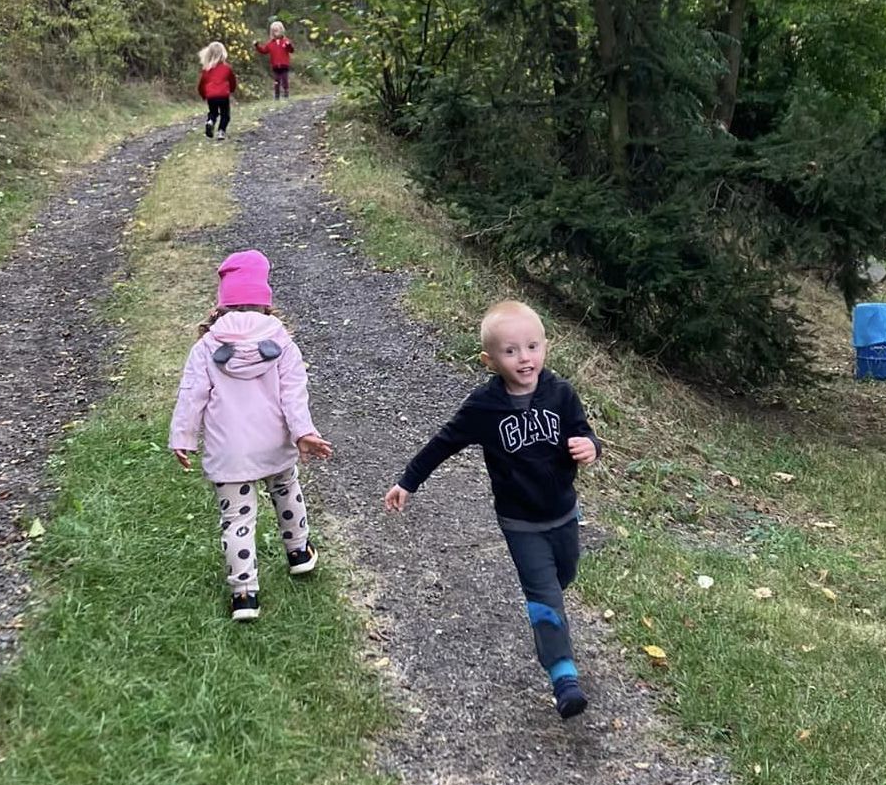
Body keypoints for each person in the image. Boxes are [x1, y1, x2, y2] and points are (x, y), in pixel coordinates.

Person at [383, 300, 601, 718]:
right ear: (490, 360)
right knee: (544, 594)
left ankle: (551, 615)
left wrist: (590, 446)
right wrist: (408, 481)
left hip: (563, 513)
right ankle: (564, 677)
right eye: (511, 351)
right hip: (520, 522)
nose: (524, 358)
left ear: (545, 347)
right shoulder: (484, 406)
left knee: (564, 576)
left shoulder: (560, 393)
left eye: (532, 347)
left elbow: (584, 432)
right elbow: (444, 442)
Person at [169, 249, 332, 621]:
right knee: (286, 490)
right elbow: (293, 394)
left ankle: (244, 595)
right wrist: (303, 432)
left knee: (237, 519)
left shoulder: (206, 347)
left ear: (223, 301)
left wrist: (183, 437)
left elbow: (192, 395)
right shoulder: (282, 343)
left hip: (230, 452)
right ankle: (299, 553)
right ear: (265, 299)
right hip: (274, 442)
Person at [197, 41, 238, 140]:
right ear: (223, 53)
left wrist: (203, 95)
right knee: (225, 115)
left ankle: (210, 122)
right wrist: (232, 89)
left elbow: (201, 84)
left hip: (211, 96)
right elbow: (232, 81)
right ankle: (221, 132)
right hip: (223, 95)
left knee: (213, 113)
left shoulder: (206, 70)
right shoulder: (227, 68)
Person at [254, 21, 294, 100]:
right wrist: (257, 46)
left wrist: (289, 45)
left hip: (284, 65)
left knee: (285, 79)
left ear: (281, 30)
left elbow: (291, 50)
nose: (275, 33)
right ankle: (277, 95)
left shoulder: (286, 41)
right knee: (277, 81)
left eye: (277, 30)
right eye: (274, 31)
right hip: (275, 65)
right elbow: (264, 51)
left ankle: (286, 93)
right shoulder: (270, 43)